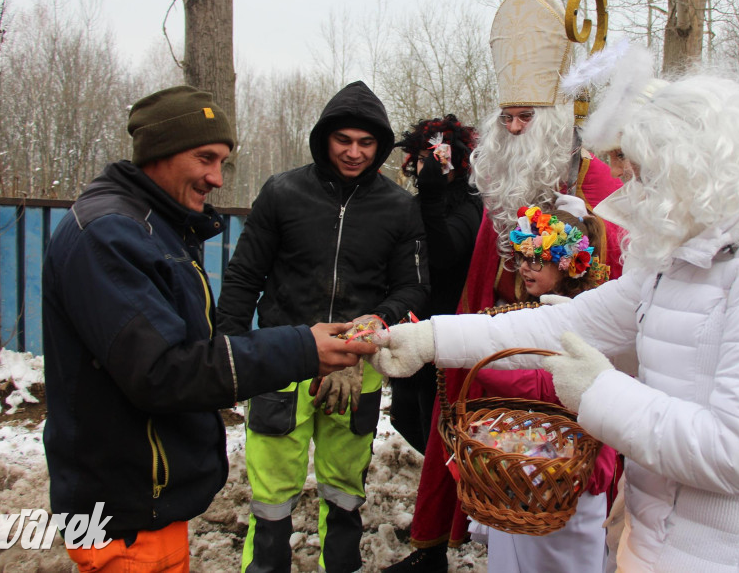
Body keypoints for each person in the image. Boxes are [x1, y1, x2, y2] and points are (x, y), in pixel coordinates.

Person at [367, 60, 739, 573]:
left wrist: (598, 392)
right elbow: (562, 326)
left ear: (697, 169)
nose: (630, 190)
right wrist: (431, 338)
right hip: (654, 538)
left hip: (722, 556)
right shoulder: (684, 257)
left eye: (643, 173)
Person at [42, 85, 376, 572]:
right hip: (122, 509)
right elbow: (163, 371)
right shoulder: (110, 236)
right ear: (161, 151)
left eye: (223, 161)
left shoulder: (157, 226)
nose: (216, 178)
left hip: (149, 499)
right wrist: (301, 348)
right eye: (205, 158)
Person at [384, 0, 624, 573]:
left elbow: (614, 302)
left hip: (568, 399)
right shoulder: (502, 198)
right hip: (499, 386)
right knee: (508, 540)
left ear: (555, 120)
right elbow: (477, 294)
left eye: (527, 117)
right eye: (508, 117)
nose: (515, 129)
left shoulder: (603, 196)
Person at [215, 80, 430, 573]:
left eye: (366, 143)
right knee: (271, 494)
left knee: (344, 488)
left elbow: (414, 288)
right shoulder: (282, 192)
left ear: (379, 146)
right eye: (343, 140)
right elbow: (245, 274)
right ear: (324, 138)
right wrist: (226, 354)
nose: (354, 152)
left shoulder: (399, 207)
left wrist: (374, 324)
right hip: (280, 361)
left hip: (358, 365)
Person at [470, 201, 617, 573]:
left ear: (567, 264)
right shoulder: (528, 312)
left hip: (572, 474)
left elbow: (552, 383)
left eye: (538, 259)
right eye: (522, 257)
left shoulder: (590, 318)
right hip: (524, 469)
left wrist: (486, 365)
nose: (524, 267)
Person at [390, 114, 482, 454]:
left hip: (445, 340)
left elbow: (444, 256)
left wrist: (431, 196)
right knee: (404, 417)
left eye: (438, 158)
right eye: (424, 158)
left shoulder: (469, 206)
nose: (430, 166)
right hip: (411, 329)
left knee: (436, 428)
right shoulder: (413, 204)